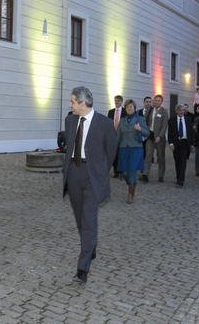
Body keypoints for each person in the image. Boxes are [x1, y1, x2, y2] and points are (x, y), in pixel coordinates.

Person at [63, 86, 117, 283]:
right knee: (80, 218)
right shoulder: (70, 120)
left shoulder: (105, 123)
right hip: (73, 173)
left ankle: (82, 268)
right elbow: (69, 146)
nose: (70, 105)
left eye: (72, 102)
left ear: (83, 103)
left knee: (89, 219)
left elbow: (111, 152)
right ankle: (90, 245)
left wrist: (100, 171)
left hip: (93, 176)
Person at [116, 99, 150, 203]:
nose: (129, 108)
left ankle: (130, 194)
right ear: (125, 109)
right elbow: (118, 136)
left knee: (132, 170)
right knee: (125, 172)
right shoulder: (122, 120)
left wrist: (140, 129)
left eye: (131, 106)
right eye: (127, 107)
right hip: (124, 148)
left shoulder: (140, 119)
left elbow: (147, 133)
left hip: (136, 148)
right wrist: (113, 146)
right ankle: (132, 184)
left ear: (134, 108)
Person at [142, 95, 168, 183]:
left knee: (160, 157)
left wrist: (159, 136)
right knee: (148, 155)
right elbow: (145, 121)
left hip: (159, 138)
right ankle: (145, 174)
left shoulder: (164, 112)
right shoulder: (150, 110)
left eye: (158, 100)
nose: (156, 102)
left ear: (161, 102)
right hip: (150, 136)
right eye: (155, 100)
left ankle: (161, 175)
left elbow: (164, 126)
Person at [168, 104, 193, 187]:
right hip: (176, 143)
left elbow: (191, 132)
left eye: (183, 110)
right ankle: (178, 177)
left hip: (185, 143)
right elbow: (170, 133)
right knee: (177, 161)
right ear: (176, 111)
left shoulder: (188, 119)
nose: (182, 112)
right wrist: (171, 143)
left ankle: (181, 180)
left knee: (183, 161)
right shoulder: (172, 120)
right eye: (180, 110)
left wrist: (192, 144)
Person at [107, 95, 126, 178]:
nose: (116, 102)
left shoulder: (125, 111)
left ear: (121, 101)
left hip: (122, 136)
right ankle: (116, 172)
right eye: (115, 100)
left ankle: (122, 171)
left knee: (121, 154)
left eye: (118, 101)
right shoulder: (110, 112)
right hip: (112, 136)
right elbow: (108, 124)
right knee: (113, 154)